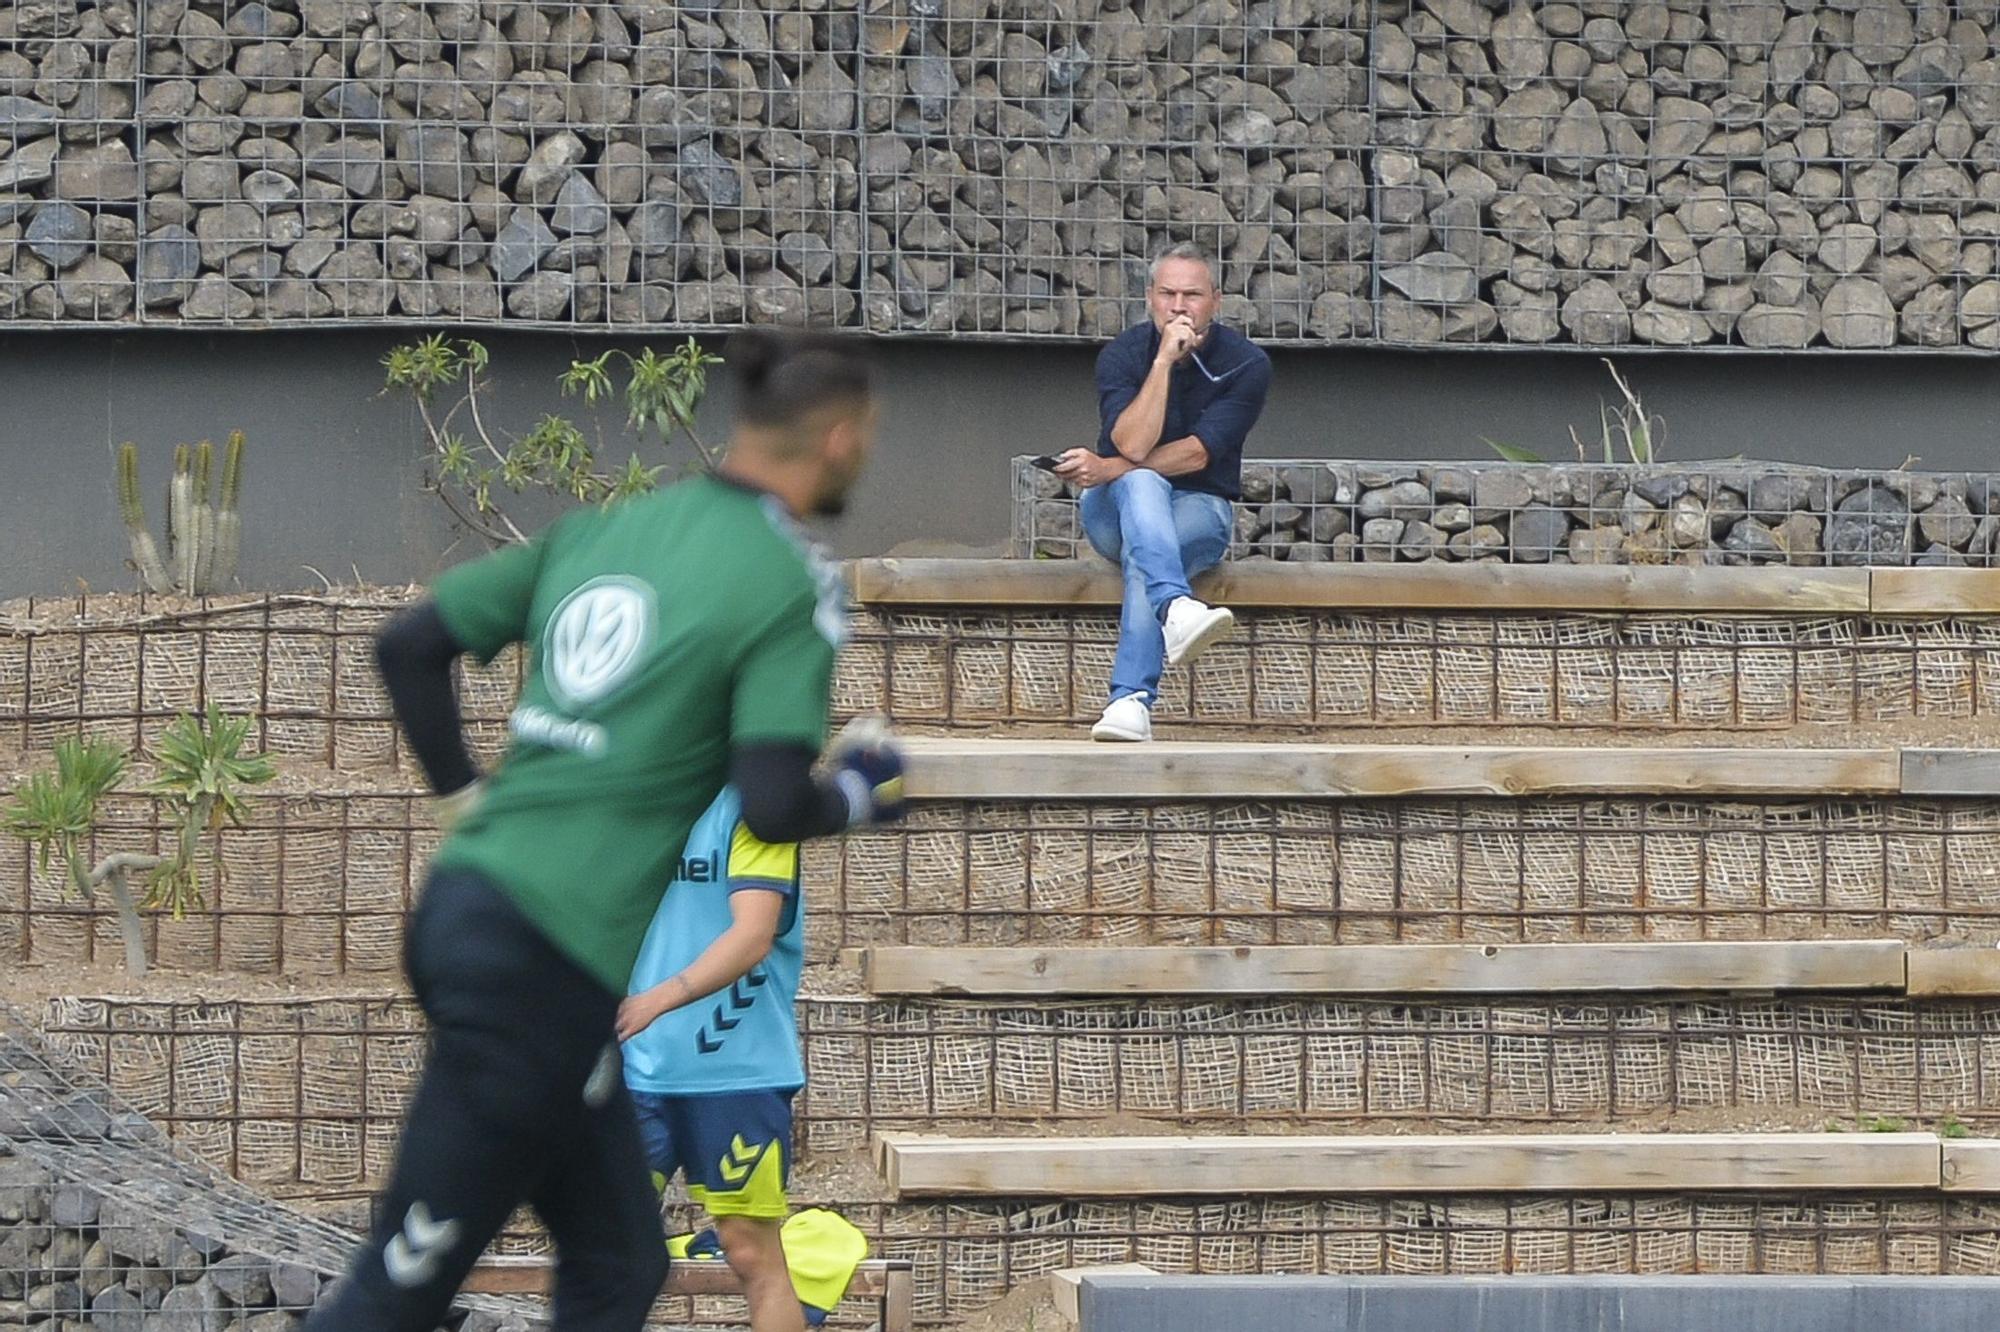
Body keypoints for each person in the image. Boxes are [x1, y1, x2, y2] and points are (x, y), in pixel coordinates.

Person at [306, 330, 908, 1332]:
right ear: (840, 440)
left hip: (479, 919)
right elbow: (768, 801)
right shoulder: (786, 582)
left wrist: (467, 806)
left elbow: (409, 646)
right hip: (537, 969)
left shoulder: (609, 529)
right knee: (394, 1292)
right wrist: (857, 791)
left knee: (620, 1261)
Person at [1052, 242, 1273, 743]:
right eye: (1168, 294)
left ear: (1215, 301)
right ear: (1150, 298)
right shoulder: (1123, 356)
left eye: (1192, 295)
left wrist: (1108, 466)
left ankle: (1130, 700)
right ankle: (1175, 610)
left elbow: (1196, 455)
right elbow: (1132, 442)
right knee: (1141, 482)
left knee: (1146, 557)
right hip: (1115, 508)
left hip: (1200, 507)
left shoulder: (1247, 364)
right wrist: (1161, 366)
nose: (1179, 307)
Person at [613, 783, 810, 1332]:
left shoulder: (755, 809)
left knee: (750, 1252)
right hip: (633, 1070)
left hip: (736, 1073)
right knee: (605, 1252)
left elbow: (753, 934)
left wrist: (659, 998)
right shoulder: (628, 803)